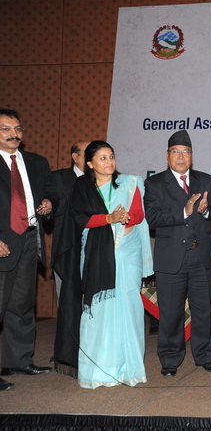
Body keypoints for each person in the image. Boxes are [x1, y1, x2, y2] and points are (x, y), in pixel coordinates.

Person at [54, 140, 152, 388]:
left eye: (111, 156)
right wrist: (109, 218)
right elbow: (80, 219)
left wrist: (127, 217)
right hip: (97, 254)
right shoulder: (82, 187)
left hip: (127, 252)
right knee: (100, 310)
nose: (109, 162)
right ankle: (100, 370)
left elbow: (139, 213)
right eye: (102, 158)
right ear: (89, 163)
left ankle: (129, 368)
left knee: (128, 307)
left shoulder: (130, 183)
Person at [145, 130, 211, 377]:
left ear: (192, 156)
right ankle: (170, 359)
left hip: (201, 258)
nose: (181, 157)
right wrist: (184, 212)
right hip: (171, 260)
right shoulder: (155, 183)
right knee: (171, 313)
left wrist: (206, 210)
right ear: (167, 155)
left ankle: (205, 356)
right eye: (176, 152)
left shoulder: (205, 180)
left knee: (203, 312)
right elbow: (152, 217)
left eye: (186, 152)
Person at [0, 108, 57, 392]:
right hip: (1, 243)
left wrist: (49, 203)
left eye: (18, 128)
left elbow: (50, 192)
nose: (14, 134)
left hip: (28, 239)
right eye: (6, 129)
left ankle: (18, 361)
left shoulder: (36, 161)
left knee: (21, 305)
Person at [50, 141, 89, 304]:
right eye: (88, 152)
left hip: (95, 247)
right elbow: (49, 211)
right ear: (75, 156)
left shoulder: (104, 179)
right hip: (66, 245)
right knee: (68, 300)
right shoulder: (57, 178)